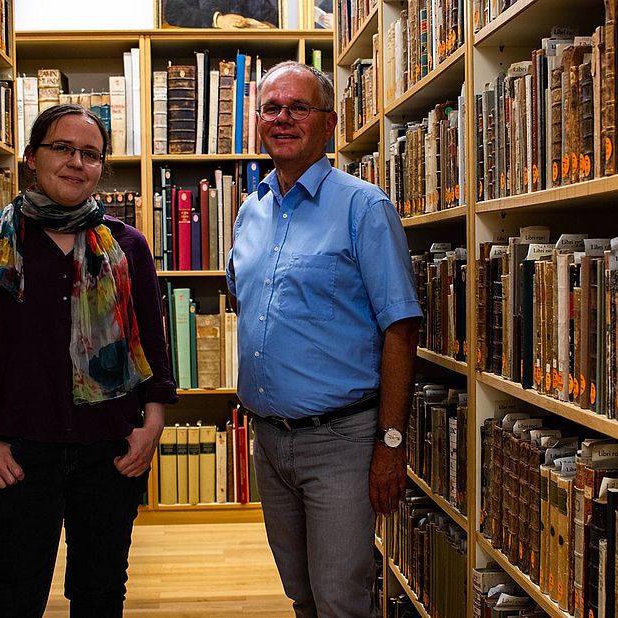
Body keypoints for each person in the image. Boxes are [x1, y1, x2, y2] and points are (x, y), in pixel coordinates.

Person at [0, 104, 177, 617]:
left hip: (111, 453)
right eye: (62, 149)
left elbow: (156, 356)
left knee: (100, 594)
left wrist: (150, 428)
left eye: (90, 154)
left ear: (101, 168)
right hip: (19, 458)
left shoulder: (128, 246)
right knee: (12, 596)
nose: (77, 162)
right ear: (30, 157)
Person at [226, 61, 422, 617]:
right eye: (271, 108)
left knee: (341, 600)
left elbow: (401, 328)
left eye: (298, 108)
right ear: (257, 120)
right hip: (268, 441)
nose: (282, 118)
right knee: (302, 594)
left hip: (341, 442)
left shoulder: (365, 207)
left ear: (329, 123)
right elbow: (247, 297)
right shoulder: (250, 211)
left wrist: (389, 445)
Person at [162, 0, 279, 28]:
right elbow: (174, 12)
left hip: (249, 45)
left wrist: (255, 23)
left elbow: (273, 18)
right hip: (203, 45)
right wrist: (217, 20)